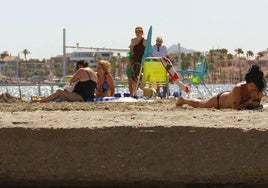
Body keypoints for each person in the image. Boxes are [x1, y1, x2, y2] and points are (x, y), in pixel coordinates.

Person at [176, 64, 267, 110]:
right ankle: (183, 100)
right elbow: (234, 108)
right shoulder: (238, 88)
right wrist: (248, 103)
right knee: (201, 104)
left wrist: (255, 103)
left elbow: (256, 106)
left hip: (230, 97)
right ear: (247, 83)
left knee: (202, 102)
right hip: (219, 101)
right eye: (251, 86)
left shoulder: (259, 90)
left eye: (256, 87)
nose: (254, 89)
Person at [32, 59, 97, 102]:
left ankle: (41, 101)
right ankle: (43, 99)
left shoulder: (81, 70)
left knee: (59, 92)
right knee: (60, 95)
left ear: (79, 66)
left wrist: (76, 72)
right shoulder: (93, 73)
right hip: (89, 97)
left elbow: (71, 80)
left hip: (81, 97)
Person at [128, 26, 146, 96]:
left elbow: (149, 51)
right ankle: (134, 94)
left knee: (142, 79)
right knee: (134, 79)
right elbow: (131, 52)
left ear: (142, 32)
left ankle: (144, 94)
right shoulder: (133, 40)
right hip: (134, 61)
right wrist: (130, 62)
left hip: (142, 62)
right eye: (136, 31)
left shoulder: (145, 41)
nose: (137, 33)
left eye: (139, 31)